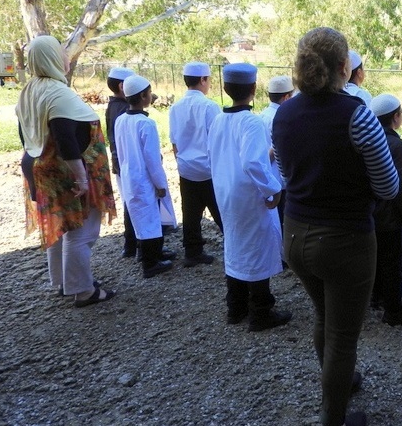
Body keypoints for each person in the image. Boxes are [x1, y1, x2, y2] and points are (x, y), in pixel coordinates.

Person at [273, 27, 398, 426]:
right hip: (345, 241)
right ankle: (335, 417)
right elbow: (389, 185)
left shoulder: (284, 112)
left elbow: (282, 171)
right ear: (345, 66)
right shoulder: (356, 114)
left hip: (294, 235)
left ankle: (339, 383)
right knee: (343, 335)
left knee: (325, 317)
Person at [15, 35, 117, 307]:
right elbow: (65, 138)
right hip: (69, 173)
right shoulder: (57, 93)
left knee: (62, 227)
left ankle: (63, 282)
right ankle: (83, 290)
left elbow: (26, 134)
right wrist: (82, 177)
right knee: (80, 232)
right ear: (49, 57)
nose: (66, 57)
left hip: (43, 168)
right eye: (61, 51)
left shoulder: (30, 89)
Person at [208, 62, 292, 332]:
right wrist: (273, 190)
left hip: (226, 193)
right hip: (249, 196)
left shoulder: (219, 120)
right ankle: (261, 311)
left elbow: (224, 157)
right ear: (254, 89)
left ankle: (236, 306)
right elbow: (252, 164)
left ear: (225, 88)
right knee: (257, 248)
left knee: (235, 245)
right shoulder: (251, 122)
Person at [115, 74, 177, 279]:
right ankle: (151, 263)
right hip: (144, 178)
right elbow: (152, 159)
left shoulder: (120, 120)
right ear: (143, 96)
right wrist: (160, 183)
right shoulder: (146, 124)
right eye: (149, 93)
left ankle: (153, 253)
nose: (151, 96)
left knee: (141, 216)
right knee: (150, 217)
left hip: (129, 176)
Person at [369, 93, 402, 326]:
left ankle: (376, 298)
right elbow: (400, 185)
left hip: (369, 214)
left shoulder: (367, 138)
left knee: (377, 259)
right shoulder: (396, 145)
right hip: (388, 216)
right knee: (393, 263)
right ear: (396, 117)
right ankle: (394, 310)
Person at [168, 61, 223, 267]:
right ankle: (236, 245)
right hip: (208, 169)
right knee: (220, 211)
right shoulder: (210, 106)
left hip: (186, 168)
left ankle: (192, 251)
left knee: (190, 213)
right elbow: (217, 139)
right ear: (203, 80)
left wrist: (180, 162)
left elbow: (174, 141)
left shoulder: (175, 107)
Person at [105, 66, 138, 259]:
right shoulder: (124, 109)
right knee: (133, 203)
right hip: (127, 163)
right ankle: (134, 244)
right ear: (121, 86)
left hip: (121, 162)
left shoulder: (114, 106)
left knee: (130, 201)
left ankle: (133, 244)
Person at [258, 74, 295, 229]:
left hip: (265, 178)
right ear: (286, 97)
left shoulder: (261, 115)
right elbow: (276, 149)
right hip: (279, 179)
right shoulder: (281, 117)